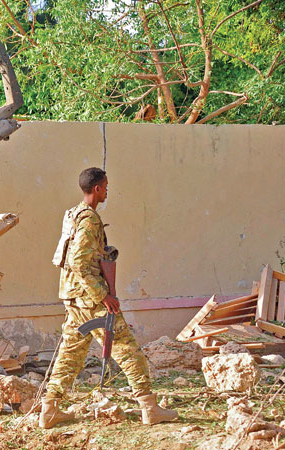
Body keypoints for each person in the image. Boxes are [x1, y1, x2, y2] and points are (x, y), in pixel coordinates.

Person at [39, 167, 178, 429]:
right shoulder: (89, 219)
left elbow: (74, 259)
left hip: (72, 296)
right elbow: (79, 262)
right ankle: (149, 407)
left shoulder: (72, 214)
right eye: (106, 186)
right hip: (90, 299)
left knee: (70, 353)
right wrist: (103, 295)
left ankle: (49, 410)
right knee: (127, 349)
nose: (108, 190)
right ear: (97, 189)